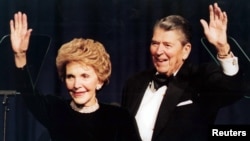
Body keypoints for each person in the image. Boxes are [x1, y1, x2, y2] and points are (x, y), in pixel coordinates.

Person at [121, 3, 245, 141]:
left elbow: (233, 89)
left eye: (167, 45)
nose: (158, 51)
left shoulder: (199, 79)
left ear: (186, 50)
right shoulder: (134, 83)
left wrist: (222, 48)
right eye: (155, 43)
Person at [10, 12, 140, 141]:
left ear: (100, 80)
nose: (77, 85)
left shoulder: (119, 118)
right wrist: (20, 55)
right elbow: (28, 93)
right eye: (70, 77)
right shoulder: (57, 111)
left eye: (84, 76)